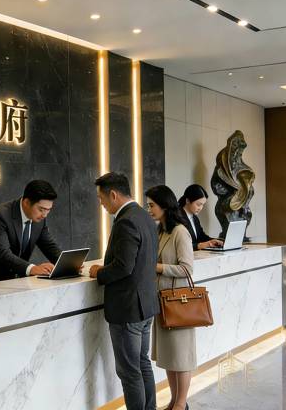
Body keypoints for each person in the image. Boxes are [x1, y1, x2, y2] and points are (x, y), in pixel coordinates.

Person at [89, 172, 159, 410]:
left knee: (130, 372)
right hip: (145, 305)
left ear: (113, 194)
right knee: (142, 364)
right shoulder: (144, 216)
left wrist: (98, 272)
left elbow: (123, 266)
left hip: (128, 309)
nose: (101, 204)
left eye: (101, 199)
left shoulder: (126, 220)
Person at [146, 185, 196, 410]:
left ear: (165, 206)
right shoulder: (160, 231)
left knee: (181, 357)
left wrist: (157, 267)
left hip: (178, 303)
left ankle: (181, 403)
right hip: (162, 302)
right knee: (169, 356)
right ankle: (174, 401)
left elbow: (187, 269)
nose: (149, 209)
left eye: (152, 205)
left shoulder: (180, 232)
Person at [0, 180, 62, 285]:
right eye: (41, 209)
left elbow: (49, 246)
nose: (44, 215)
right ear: (26, 202)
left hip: (11, 277)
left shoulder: (39, 219)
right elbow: (3, 253)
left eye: (48, 210)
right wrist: (33, 269)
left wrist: (67, 265)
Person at [179, 184, 223, 251]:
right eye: (198, 204)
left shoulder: (194, 217)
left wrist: (215, 241)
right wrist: (201, 245)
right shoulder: (177, 217)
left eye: (203, 205)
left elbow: (201, 237)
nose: (200, 208)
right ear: (187, 201)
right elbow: (181, 245)